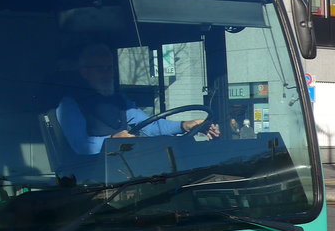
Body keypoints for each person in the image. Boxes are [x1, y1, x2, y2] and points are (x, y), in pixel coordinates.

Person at [57, 43, 219, 156]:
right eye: (101, 69)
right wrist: (112, 141)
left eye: (110, 68)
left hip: (125, 169)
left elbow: (152, 126)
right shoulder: (69, 104)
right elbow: (81, 146)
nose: (108, 74)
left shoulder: (119, 100)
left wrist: (184, 125)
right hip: (91, 179)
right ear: (85, 72)